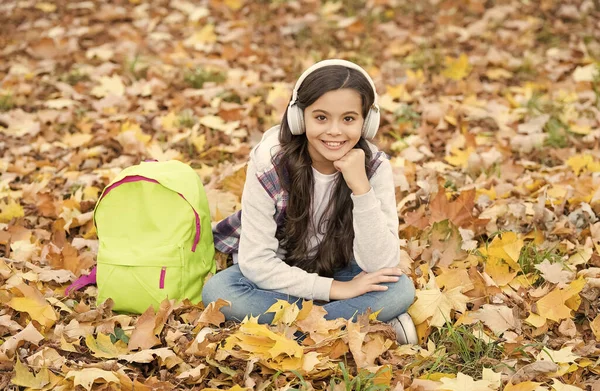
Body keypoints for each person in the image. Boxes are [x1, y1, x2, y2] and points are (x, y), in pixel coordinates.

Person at [202, 59, 417, 344]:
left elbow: (382, 263)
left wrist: (361, 188)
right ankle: (352, 321)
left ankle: (298, 331)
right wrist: (337, 291)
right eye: (321, 117)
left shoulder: (374, 167)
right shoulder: (270, 163)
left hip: (342, 265)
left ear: (368, 122)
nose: (334, 131)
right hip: (281, 273)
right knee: (219, 291)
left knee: (400, 289)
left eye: (349, 119)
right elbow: (256, 263)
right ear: (299, 118)